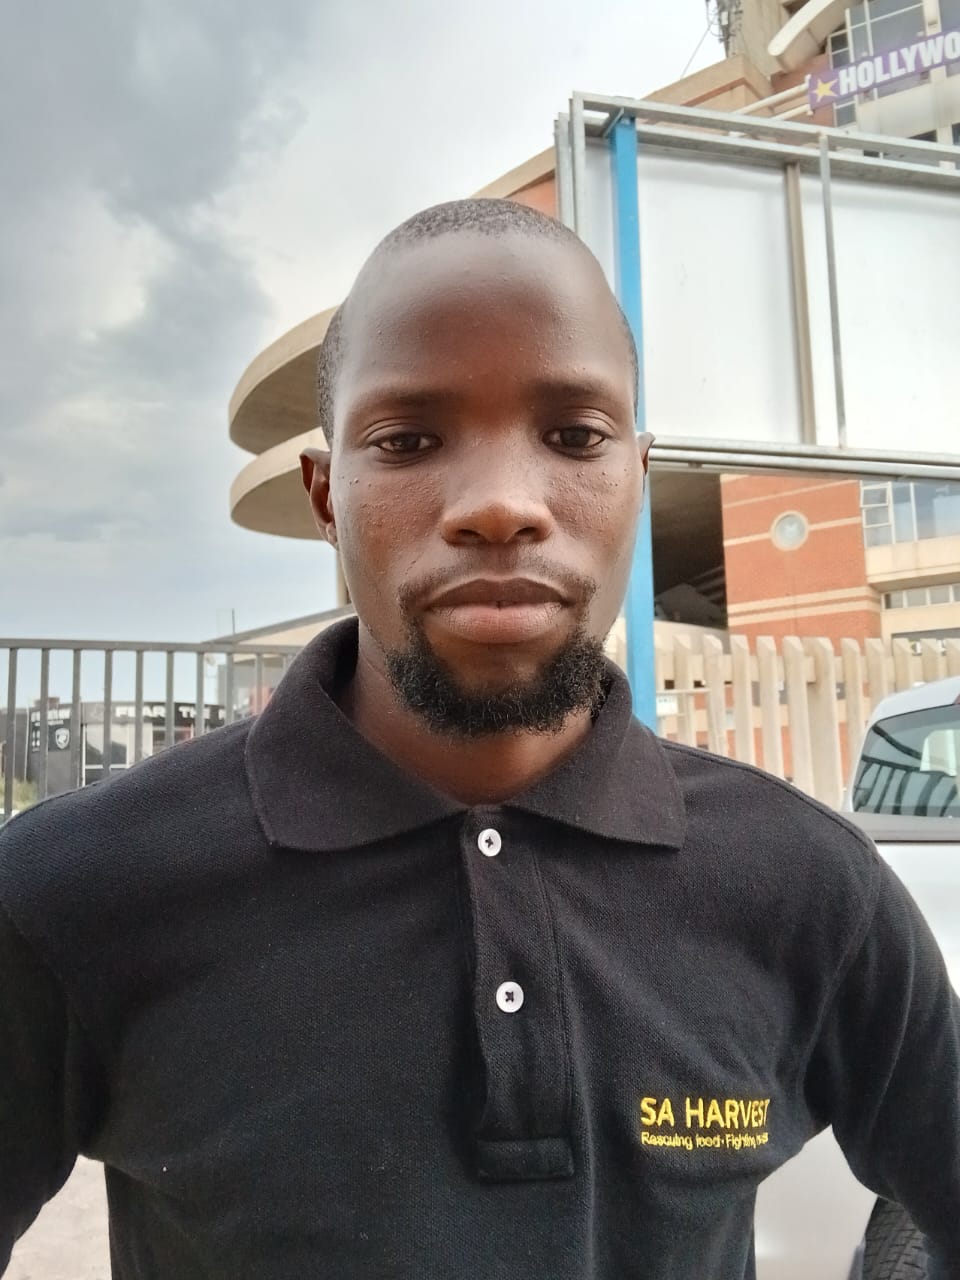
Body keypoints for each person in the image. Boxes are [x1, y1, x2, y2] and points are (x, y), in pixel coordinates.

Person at [1, 198, 958, 1280]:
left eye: (575, 436)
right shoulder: (72, 890)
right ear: (326, 494)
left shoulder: (809, 888)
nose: (500, 505)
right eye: (407, 440)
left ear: (638, 479)